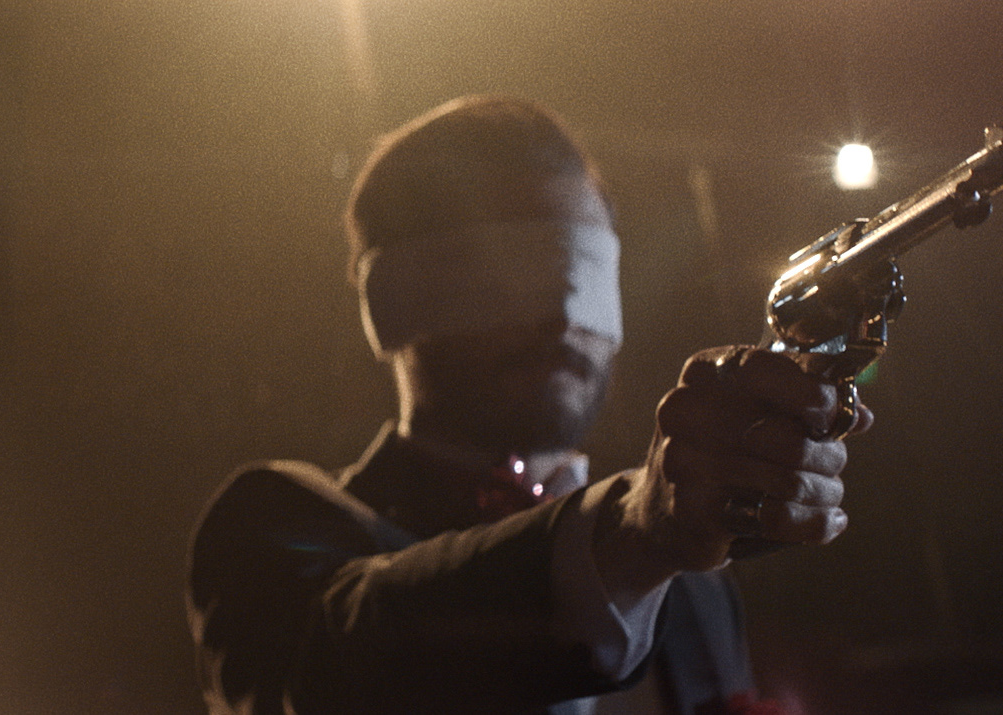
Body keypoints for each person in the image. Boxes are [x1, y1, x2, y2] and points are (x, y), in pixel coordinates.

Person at [187, 96, 866, 714]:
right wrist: (631, 534)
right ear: (392, 300)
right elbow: (332, 678)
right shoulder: (272, 532)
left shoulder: (694, 583)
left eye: (586, 269)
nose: (563, 315)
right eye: (507, 268)